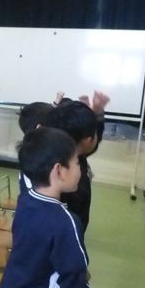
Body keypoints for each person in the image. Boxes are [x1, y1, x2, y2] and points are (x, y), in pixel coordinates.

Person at [0, 127, 99, 288]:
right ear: (59, 171)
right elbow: (73, 280)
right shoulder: (65, 223)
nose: (81, 170)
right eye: (77, 163)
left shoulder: (26, 200)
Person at [43, 92, 110, 233]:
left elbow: (91, 143)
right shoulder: (69, 178)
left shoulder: (59, 153)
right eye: (94, 133)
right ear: (88, 140)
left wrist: (97, 112)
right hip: (67, 235)